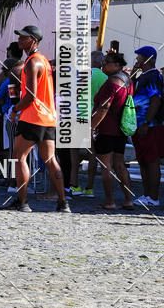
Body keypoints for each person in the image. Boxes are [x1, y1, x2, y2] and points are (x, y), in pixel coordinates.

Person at [8, 24, 70, 213]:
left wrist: (15, 109)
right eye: (19, 36)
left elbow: (31, 95)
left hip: (32, 117)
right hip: (48, 118)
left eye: (23, 37)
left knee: (19, 157)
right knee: (51, 160)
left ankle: (23, 202)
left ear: (33, 40)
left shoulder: (33, 62)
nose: (19, 39)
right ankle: (63, 202)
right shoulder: (43, 61)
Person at [91, 51, 135, 211]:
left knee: (106, 166)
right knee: (120, 165)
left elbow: (104, 107)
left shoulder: (112, 82)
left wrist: (92, 127)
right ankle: (128, 199)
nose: (103, 65)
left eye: (107, 62)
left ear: (117, 65)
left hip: (107, 129)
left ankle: (109, 201)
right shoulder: (127, 80)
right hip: (120, 130)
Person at [69, 50, 108, 197]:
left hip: (79, 114)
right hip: (95, 117)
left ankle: (75, 185)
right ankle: (89, 188)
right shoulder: (105, 78)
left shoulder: (86, 74)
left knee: (74, 152)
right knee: (93, 154)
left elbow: (76, 94)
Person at [130, 46, 163, 207]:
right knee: (143, 160)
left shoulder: (153, 76)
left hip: (149, 125)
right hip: (138, 124)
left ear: (148, 59)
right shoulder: (142, 76)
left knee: (151, 160)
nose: (137, 60)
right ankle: (146, 194)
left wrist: (146, 122)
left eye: (140, 57)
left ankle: (154, 197)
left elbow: (155, 100)